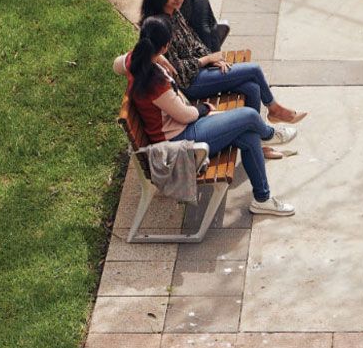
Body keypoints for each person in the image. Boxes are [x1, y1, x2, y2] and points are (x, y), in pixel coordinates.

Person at [113, 15, 296, 216]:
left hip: (179, 131)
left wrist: (158, 58)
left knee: (249, 136)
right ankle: (269, 135)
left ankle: (262, 199)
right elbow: (185, 116)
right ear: (165, 47)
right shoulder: (156, 84)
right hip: (181, 142)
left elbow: (116, 64)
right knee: (250, 116)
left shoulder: (134, 61)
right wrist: (204, 109)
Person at [139, 0, 305, 124]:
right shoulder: (159, 26)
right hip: (190, 84)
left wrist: (213, 60)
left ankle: (258, 137)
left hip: (200, 72)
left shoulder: (174, 13)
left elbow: (194, 42)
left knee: (252, 88)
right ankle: (274, 110)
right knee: (254, 70)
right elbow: (177, 70)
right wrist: (207, 59)